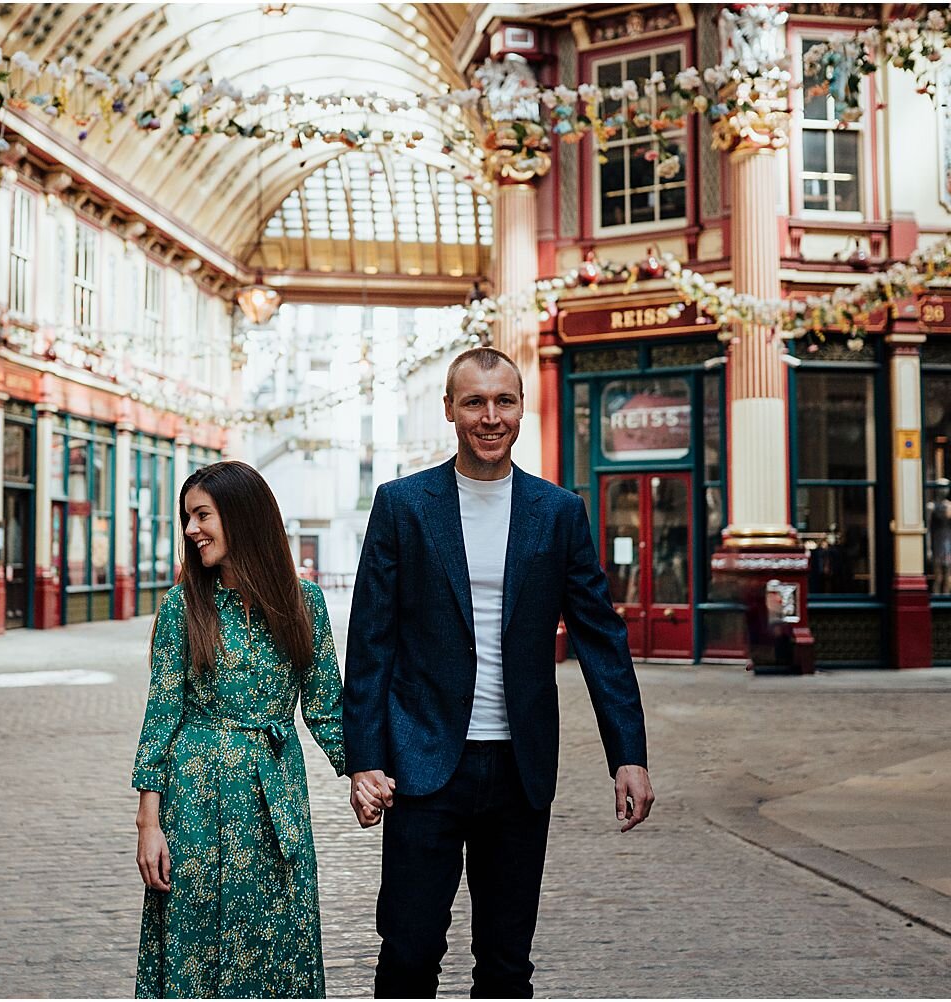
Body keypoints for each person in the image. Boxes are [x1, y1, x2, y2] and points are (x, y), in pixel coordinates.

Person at [343, 346, 654, 999]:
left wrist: (629, 756)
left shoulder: (558, 512)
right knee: (408, 954)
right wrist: (364, 758)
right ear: (451, 410)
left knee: (507, 966)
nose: (491, 416)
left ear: (520, 409)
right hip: (423, 767)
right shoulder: (403, 505)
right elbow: (371, 640)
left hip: (519, 770)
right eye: (475, 402)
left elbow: (601, 638)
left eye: (504, 401)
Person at [132, 460, 347, 998]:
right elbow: (161, 715)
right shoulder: (183, 607)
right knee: (195, 946)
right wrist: (148, 825)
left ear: (242, 516)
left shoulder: (304, 603)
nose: (190, 530)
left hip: (276, 803)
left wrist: (366, 774)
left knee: (280, 940)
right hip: (194, 803)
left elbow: (326, 708)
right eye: (187, 517)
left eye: (202, 514)